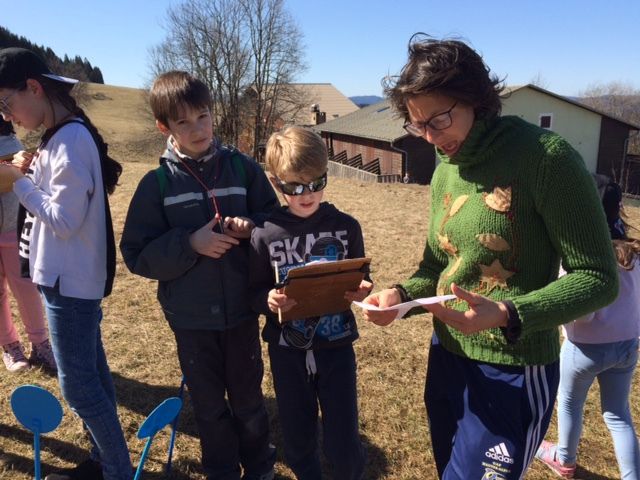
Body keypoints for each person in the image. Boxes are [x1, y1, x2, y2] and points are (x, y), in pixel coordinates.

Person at [362, 35, 619, 480]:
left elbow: (598, 277)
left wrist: (506, 312)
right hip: (447, 357)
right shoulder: (445, 168)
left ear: (476, 100)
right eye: (417, 124)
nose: (431, 137)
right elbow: (436, 266)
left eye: (439, 119)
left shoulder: (545, 158)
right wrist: (399, 297)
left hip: (514, 371)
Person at [120, 70, 278, 480]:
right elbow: (136, 254)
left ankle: (260, 467)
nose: (198, 128)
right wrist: (190, 245)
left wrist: (252, 228)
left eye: (203, 116)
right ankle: (221, 469)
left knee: (248, 400)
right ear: (164, 127)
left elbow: (275, 223)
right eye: (183, 121)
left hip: (242, 312)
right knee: (208, 406)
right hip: (191, 320)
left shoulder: (243, 169)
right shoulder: (156, 185)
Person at [0, 48, 131, 480]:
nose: (10, 117)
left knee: (79, 389)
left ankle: (115, 470)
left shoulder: (71, 139)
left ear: (34, 88)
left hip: (71, 284)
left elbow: (63, 219)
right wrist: (30, 171)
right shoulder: (60, 136)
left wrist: (18, 182)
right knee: (93, 377)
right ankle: (103, 461)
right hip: (67, 280)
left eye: (8, 104)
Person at [249, 126, 371, 480]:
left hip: (336, 347)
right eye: (295, 186)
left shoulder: (346, 227)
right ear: (276, 182)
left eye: (317, 183)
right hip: (287, 351)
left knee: (343, 434)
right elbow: (253, 291)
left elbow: (361, 275)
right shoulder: (264, 233)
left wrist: (362, 290)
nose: (307, 194)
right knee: (298, 431)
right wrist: (267, 299)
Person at [535, 179, 640, 479]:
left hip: (584, 349)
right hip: (627, 346)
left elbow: (584, 312)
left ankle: (564, 459)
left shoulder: (583, 255)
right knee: (619, 414)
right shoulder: (634, 252)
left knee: (568, 402)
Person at [0, 117, 54, 373]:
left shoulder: (11, 141)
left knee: (27, 289)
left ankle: (40, 343)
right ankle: (10, 346)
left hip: (14, 228)